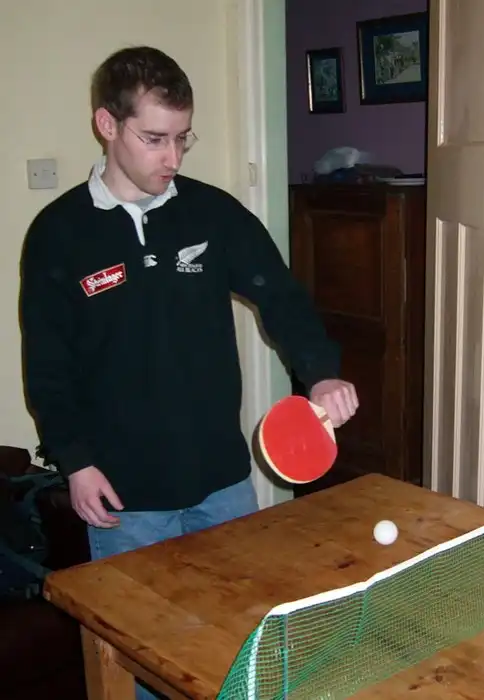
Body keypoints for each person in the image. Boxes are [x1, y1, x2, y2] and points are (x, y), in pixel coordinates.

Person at [20, 44, 358, 698]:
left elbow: (281, 297)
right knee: (142, 653)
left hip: (221, 480)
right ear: (107, 125)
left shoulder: (213, 214)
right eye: (154, 139)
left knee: (238, 639)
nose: (171, 157)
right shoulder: (59, 234)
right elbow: (48, 362)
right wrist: (75, 460)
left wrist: (319, 373)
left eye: (182, 138)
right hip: (124, 495)